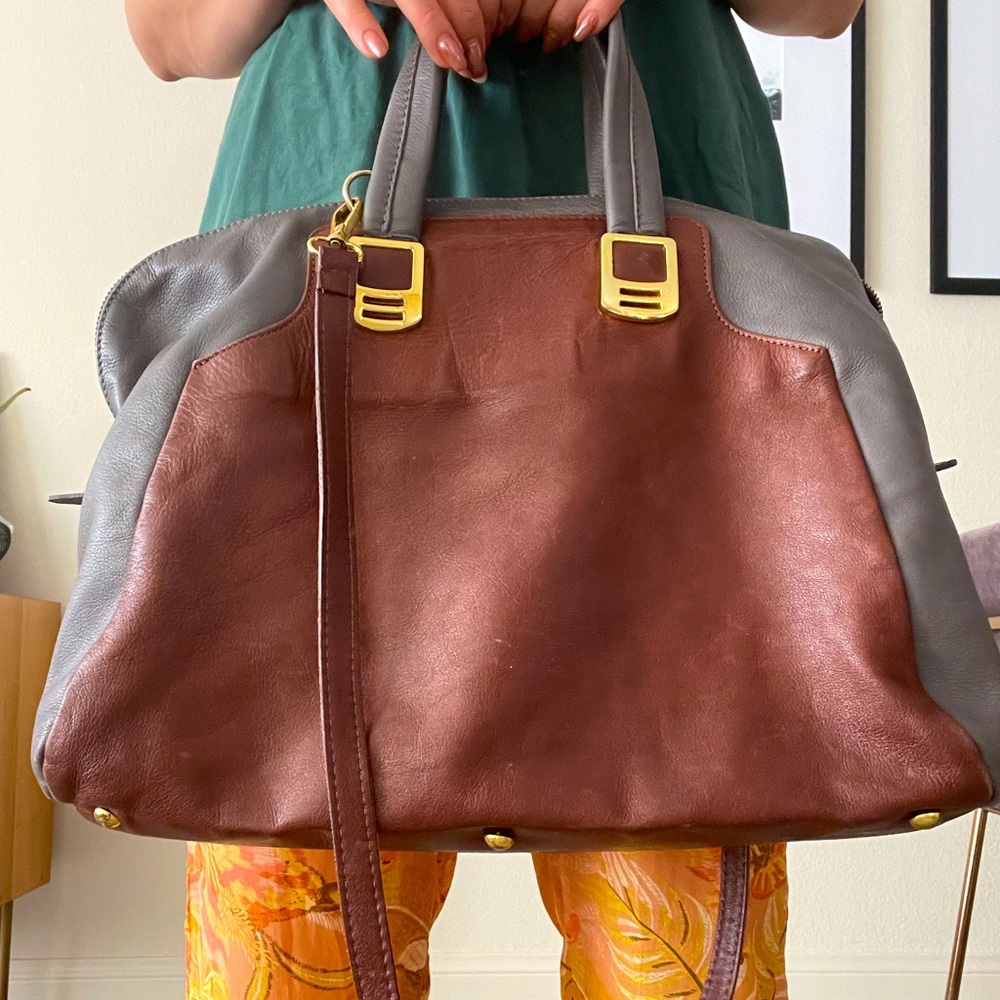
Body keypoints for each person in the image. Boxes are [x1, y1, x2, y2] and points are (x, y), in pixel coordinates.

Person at [125, 1, 863, 997]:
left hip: (661, 286)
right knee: (289, 938)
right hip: (315, 288)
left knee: (676, 958)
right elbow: (168, 31)